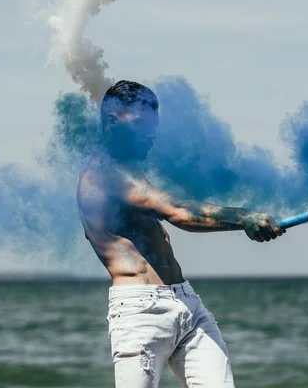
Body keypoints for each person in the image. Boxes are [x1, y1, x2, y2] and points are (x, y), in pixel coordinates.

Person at [76, 80, 286, 387]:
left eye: (153, 127)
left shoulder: (129, 170)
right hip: (141, 312)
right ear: (111, 121)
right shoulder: (104, 174)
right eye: (140, 125)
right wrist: (243, 217)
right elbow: (177, 212)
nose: (150, 136)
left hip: (186, 302)